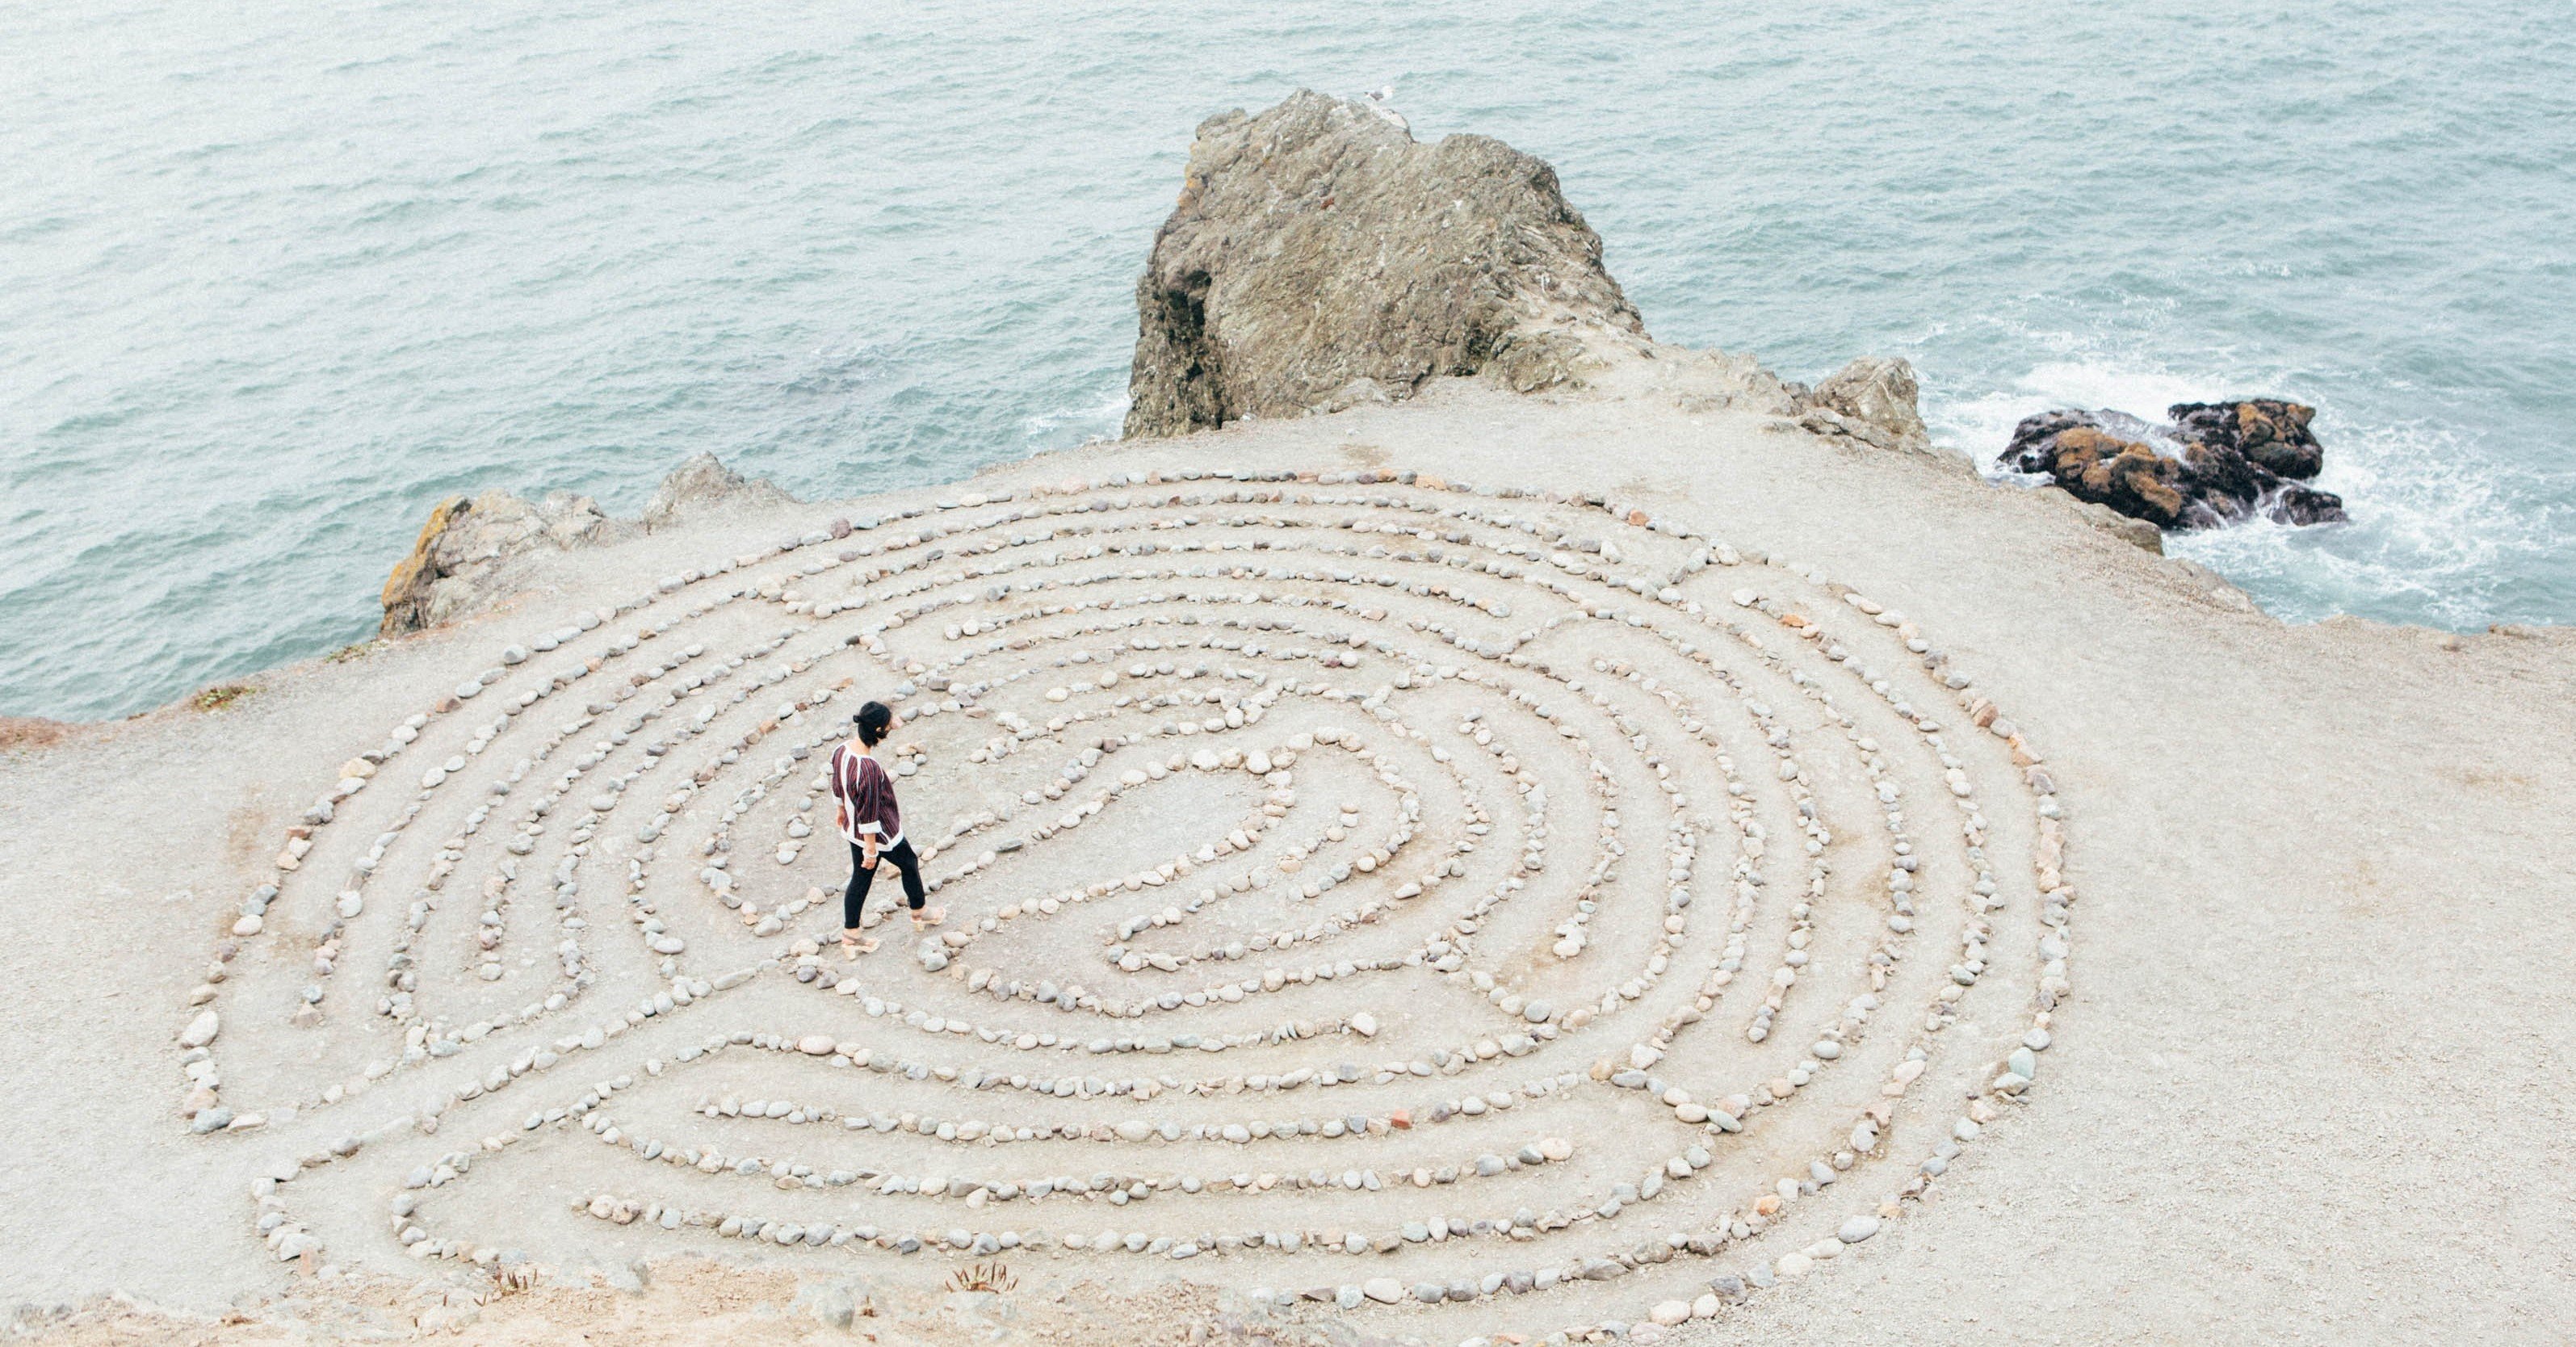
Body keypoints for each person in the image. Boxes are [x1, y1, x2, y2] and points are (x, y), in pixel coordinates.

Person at [829, 700, 939, 959]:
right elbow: (869, 811)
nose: (892, 727)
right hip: (879, 833)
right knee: (909, 862)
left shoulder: (842, 750)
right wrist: (870, 848)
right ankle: (919, 911)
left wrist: (841, 810)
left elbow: (837, 783)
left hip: (853, 827)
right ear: (879, 730)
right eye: (888, 725)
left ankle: (851, 935)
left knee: (861, 878)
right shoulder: (869, 768)